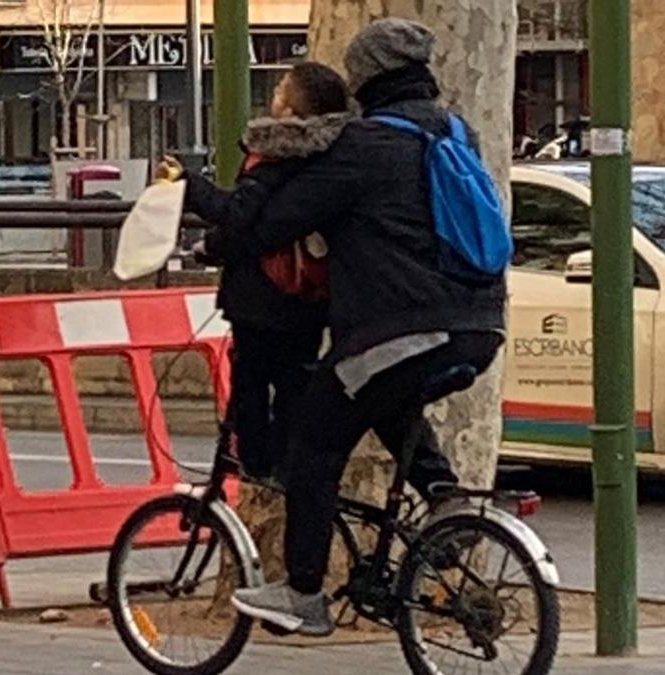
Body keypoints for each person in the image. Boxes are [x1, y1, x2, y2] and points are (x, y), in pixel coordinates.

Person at [227, 18, 508, 637]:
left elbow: (277, 224)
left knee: (312, 445)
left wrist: (225, 218)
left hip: (397, 329)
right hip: (479, 328)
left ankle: (303, 595)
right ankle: (446, 499)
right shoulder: (456, 129)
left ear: (366, 77)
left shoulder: (363, 145)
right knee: (385, 398)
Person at [157, 62, 352, 482]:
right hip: (311, 295)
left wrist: (191, 185)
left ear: (289, 108)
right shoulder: (333, 155)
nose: (275, 93)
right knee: (294, 381)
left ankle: (257, 463)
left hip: (262, 298)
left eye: (282, 87)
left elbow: (239, 215)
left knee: (250, 380)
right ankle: (288, 463)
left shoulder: (275, 153)